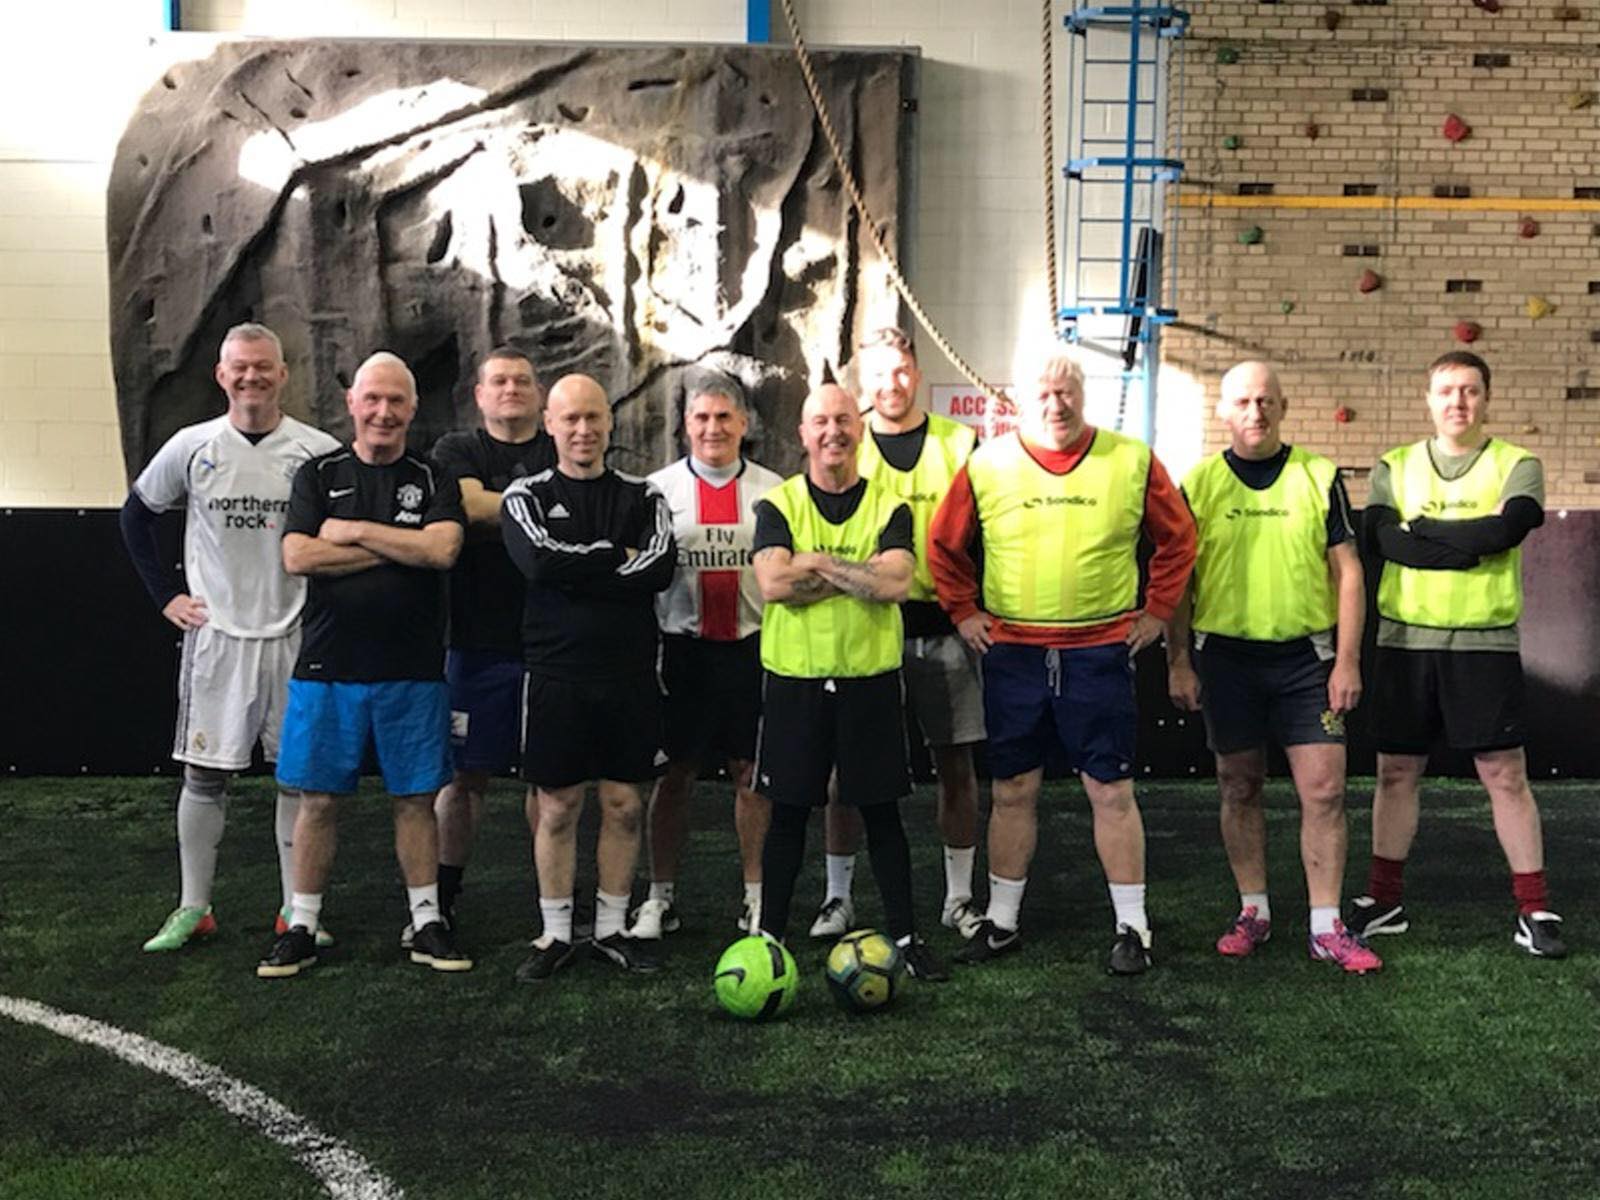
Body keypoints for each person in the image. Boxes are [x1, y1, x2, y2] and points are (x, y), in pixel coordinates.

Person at [929, 347, 1195, 974]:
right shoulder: (988, 463)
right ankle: (1001, 922)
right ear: (1021, 399)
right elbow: (943, 545)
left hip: (1099, 653)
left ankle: (1134, 929)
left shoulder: (1130, 459)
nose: (1056, 404)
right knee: (1013, 788)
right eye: (1043, 394)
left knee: (1110, 790)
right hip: (1014, 654)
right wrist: (963, 610)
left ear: (1084, 393)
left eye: (1067, 391)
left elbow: (1179, 537)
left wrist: (1158, 610)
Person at [121, 322, 341, 953]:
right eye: (239, 367)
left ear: (283, 373)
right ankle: (194, 907)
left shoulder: (316, 452)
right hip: (217, 639)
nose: (251, 377)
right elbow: (136, 515)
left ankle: (295, 912)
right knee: (203, 775)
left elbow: (341, 536)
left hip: (295, 638)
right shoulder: (193, 446)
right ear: (221, 376)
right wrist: (166, 597)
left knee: (295, 777)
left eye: (263, 366)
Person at [257, 352, 469, 978]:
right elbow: (297, 555)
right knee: (317, 800)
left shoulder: (432, 477)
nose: (384, 411)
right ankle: (302, 922)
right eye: (372, 398)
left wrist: (350, 532)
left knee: (416, 799)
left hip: (414, 670)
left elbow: (445, 550)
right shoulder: (317, 474)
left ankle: (426, 919)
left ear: (411, 408)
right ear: (352, 401)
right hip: (328, 668)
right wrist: (402, 548)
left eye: (396, 401)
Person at [1348, 350, 1566, 958]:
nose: (1457, 402)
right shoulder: (1394, 465)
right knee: (1396, 773)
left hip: (1483, 644)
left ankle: (1535, 908)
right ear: (1428, 398)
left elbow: (1506, 530)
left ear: (1486, 398)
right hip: (1405, 641)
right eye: (1446, 391)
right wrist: (1465, 542)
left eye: (1469, 391)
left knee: (1505, 775)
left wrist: (1429, 533)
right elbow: (1387, 541)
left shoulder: (1516, 464)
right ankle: (1383, 900)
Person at [1166, 361, 1381, 973]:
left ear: (1283, 407)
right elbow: (1179, 581)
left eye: (1266, 401)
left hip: (1305, 661)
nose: (1255, 412)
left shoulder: (1318, 475)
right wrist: (1178, 660)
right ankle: (1253, 910)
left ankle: (1325, 924)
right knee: (1239, 784)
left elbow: (1348, 573)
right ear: (1223, 412)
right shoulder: (1199, 483)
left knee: (1326, 789)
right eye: (1243, 401)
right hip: (1225, 660)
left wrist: (1346, 661)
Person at [750, 383, 948, 982]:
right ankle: (769, 943)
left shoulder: (891, 505)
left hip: (870, 682)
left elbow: (894, 586)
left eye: (842, 420)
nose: (832, 431)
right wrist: (852, 571)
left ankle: (908, 940)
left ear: (858, 430)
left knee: (882, 813)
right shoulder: (778, 504)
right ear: (804, 434)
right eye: (820, 422)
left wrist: (814, 561)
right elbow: (774, 586)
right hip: (796, 682)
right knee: (786, 814)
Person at [807, 326, 987, 941]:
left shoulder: (959, 442)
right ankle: (838, 898)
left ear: (918, 370)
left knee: (956, 763)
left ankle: (959, 898)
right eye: (878, 373)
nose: (892, 383)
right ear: (862, 381)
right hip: (863, 630)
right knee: (845, 772)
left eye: (902, 369)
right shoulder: (843, 438)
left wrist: (972, 608)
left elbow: (982, 536)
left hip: (944, 629)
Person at [501, 374, 677, 982]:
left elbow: (657, 569)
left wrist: (583, 564)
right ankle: (553, 933)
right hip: (555, 674)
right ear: (549, 423)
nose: (583, 430)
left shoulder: (644, 496)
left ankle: (611, 928)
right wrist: (613, 557)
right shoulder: (523, 496)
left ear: (610, 423)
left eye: (593, 418)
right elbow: (539, 562)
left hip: (629, 674)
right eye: (570, 418)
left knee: (626, 805)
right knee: (557, 806)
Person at [625, 371, 783, 940]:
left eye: (724, 417)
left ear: (745, 424)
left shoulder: (774, 490)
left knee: (751, 774)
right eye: (701, 418)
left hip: (751, 649)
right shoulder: (657, 491)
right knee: (674, 776)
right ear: (685, 426)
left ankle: (757, 897)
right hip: (682, 652)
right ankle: (660, 896)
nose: (713, 428)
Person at [426, 347, 556, 940]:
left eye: (522, 381)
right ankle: (443, 897)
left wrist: (496, 510)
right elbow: (467, 504)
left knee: (551, 779)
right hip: (475, 641)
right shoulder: (457, 451)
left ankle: (554, 904)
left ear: (539, 393)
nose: (511, 390)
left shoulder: (560, 445)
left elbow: (487, 508)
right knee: (464, 778)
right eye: (499, 381)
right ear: (479, 395)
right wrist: (552, 510)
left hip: (554, 643)